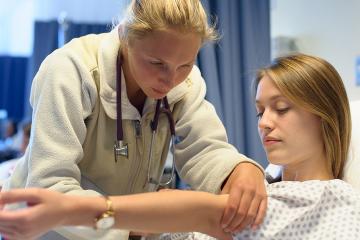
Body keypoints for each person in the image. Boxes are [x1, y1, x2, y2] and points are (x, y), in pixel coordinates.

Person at [1, 54, 360, 240]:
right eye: (260, 110)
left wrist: (70, 209)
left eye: (281, 109)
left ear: (324, 115)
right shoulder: (261, 188)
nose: (264, 122)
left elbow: (202, 212)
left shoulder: (335, 200)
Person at [1, 0, 266, 239]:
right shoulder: (69, 71)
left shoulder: (186, 84)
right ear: (125, 36)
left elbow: (205, 150)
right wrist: (141, 220)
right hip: (48, 232)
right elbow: (50, 187)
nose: (171, 79)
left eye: (185, 65)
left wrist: (240, 169)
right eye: (156, 63)